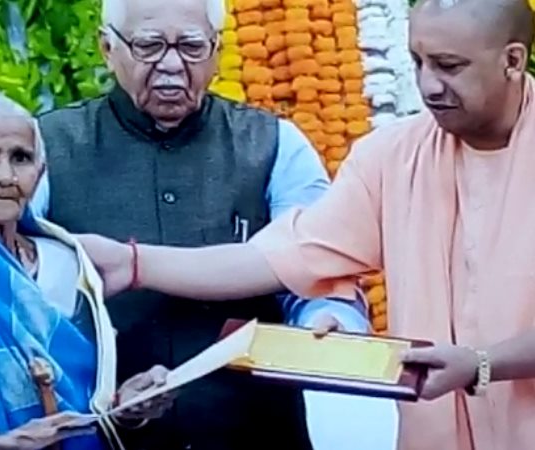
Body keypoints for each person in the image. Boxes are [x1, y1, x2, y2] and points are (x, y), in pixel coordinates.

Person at [75, 0, 535, 449]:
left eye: (449, 66)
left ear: (512, 61)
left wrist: (484, 364)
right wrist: (135, 264)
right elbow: (280, 258)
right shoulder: (393, 156)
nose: (428, 85)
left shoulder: (270, 141)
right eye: (417, 62)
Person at [30, 0, 378, 448]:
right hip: (101, 432)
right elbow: (14, 291)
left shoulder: (273, 144)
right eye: (149, 46)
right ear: (107, 48)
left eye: (191, 47)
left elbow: (319, 269)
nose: (172, 65)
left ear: (217, 51)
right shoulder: (43, 148)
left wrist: (329, 317)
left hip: (254, 429)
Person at [0, 92, 174, 450]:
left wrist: (123, 405)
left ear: (41, 171)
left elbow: (85, 393)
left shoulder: (65, 262)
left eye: (21, 158)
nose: (5, 176)